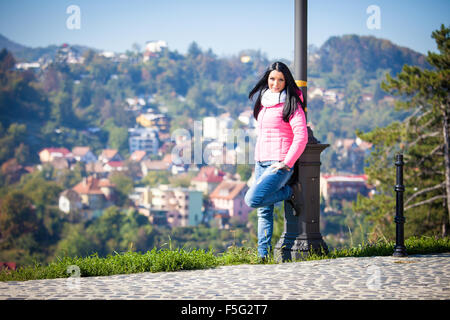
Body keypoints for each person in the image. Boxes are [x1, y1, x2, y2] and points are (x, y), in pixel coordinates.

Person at [244, 61, 308, 260]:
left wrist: (287, 163)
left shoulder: (292, 103)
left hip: (279, 163)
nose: (276, 83)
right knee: (263, 211)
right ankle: (263, 256)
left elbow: (301, 136)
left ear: (286, 81)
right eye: (272, 79)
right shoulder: (264, 101)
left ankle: (290, 192)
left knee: (252, 200)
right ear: (267, 79)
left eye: (280, 80)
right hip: (261, 161)